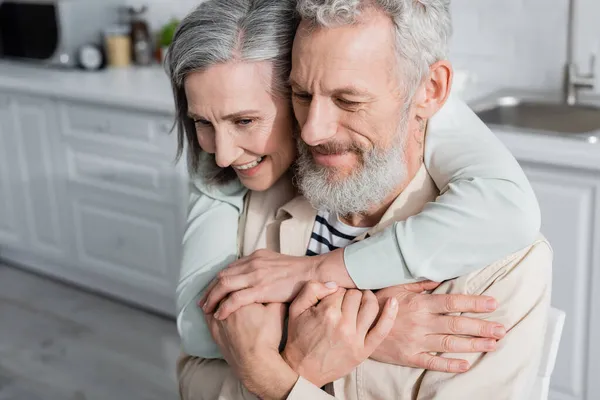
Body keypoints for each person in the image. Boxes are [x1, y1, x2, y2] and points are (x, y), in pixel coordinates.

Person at [167, 0, 542, 374]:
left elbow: (509, 208)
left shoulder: (424, 108)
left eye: (246, 120)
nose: (222, 154)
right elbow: (195, 337)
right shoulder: (221, 163)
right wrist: (372, 327)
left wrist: (312, 275)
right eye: (201, 121)